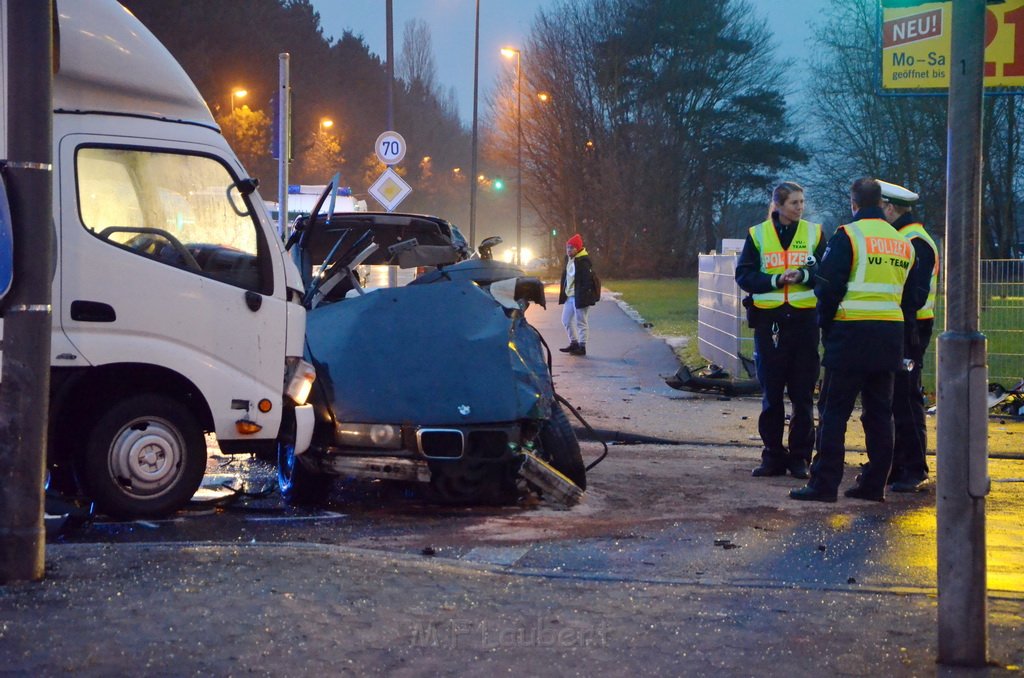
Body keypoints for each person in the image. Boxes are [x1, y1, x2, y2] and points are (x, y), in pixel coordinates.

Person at [790, 177, 927, 503]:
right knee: (879, 413)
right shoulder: (902, 242)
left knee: (833, 411)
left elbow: (827, 286)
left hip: (850, 334)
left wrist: (825, 327)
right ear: (881, 204)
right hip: (889, 337)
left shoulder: (847, 236)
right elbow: (911, 298)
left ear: (854, 203)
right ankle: (873, 485)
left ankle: (824, 484)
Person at [735, 182, 825, 479]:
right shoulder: (758, 234)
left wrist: (803, 275)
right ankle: (772, 456)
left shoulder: (814, 233)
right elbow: (744, 275)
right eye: (794, 203)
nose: (800, 208)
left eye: (802, 202)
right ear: (779, 205)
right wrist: (775, 281)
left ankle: (800, 458)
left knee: (802, 395)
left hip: (803, 322)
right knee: (772, 394)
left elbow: (825, 273)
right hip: (769, 322)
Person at [879, 180, 939, 493]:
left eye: (882, 208)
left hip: (912, 327)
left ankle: (914, 468)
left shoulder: (913, 240)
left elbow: (913, 294)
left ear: (890, 208)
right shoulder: (907, 236)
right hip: (906, 324)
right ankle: (902, 464)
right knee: (897, 397)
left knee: (907, 397)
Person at [558, 233, 599, 356]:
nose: (569, 250)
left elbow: (587, 281)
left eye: (572, 248)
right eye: (567, 247)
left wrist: (583, 295)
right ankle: (574, 343)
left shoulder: (583, 262)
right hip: (569, 296)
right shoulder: (569, 260)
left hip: (580, 297)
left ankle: (582, 346)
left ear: (578, 248)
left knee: (581, 322)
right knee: (565, 320)